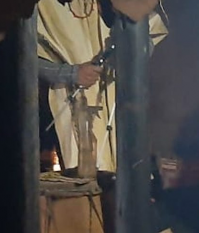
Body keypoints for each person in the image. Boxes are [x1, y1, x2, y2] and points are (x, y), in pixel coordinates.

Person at [36, 0, 167, 173]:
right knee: (79, 181)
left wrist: (132, 52)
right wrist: (71, 74)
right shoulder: (43, 6)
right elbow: (25, 59)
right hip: (67, 105)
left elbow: (146, 36)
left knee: (120, 178)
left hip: (118, 105)